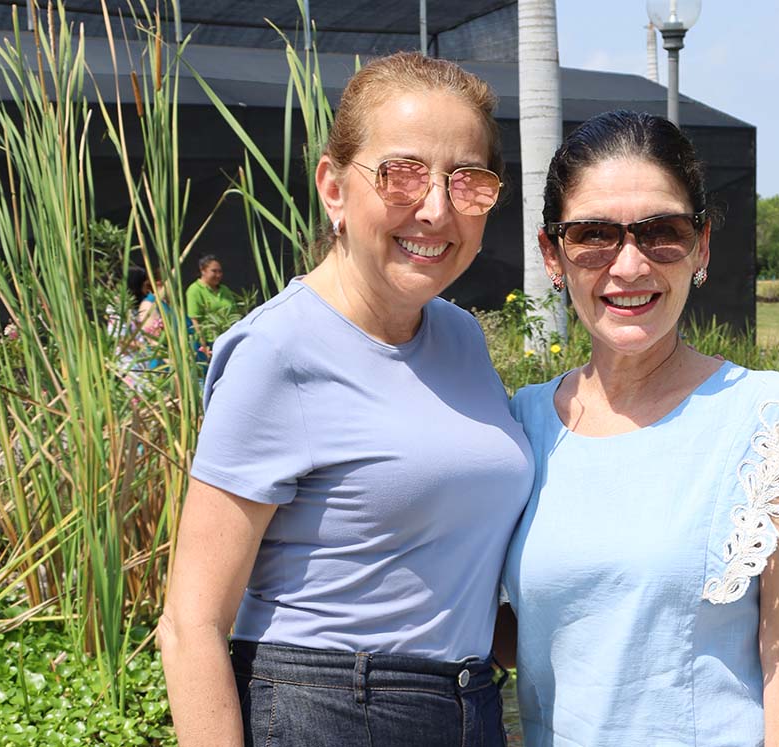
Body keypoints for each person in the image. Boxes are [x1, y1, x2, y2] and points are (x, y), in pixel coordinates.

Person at [158, 52, 532, 747]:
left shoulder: (460, 337)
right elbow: (191, 623)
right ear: (334, 186)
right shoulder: (278, 350)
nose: (436, 208)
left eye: (468, 182)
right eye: (402, 173)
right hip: (326, 710)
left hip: (467, 704)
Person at [501, 110, 779, 747]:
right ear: (553, 254)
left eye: (661, 232)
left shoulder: (777, 426)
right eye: (594, 235)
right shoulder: (515, 426)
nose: (631, 265)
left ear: (702, 245)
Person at [185, 254, 235, 331]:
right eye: (214, 271)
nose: (218, 275)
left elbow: (235, 312)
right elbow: (194, 320)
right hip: (210, 338)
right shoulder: (195, 290)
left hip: (228, 334)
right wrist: (202, 341)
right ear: (203, 271)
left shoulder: (225, 290)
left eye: (220, 271)